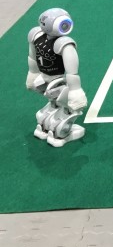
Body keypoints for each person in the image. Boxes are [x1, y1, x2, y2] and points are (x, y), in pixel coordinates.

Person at [26, 8, 87, 147]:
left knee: (54, 103)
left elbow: (32, 58)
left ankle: (43, 127)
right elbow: (72, 71)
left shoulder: (35, 35)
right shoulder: (63, 43)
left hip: (43, 79)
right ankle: (59, 134)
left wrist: (32, 74)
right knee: (71, 108)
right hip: (56, 82)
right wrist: (75, 90)